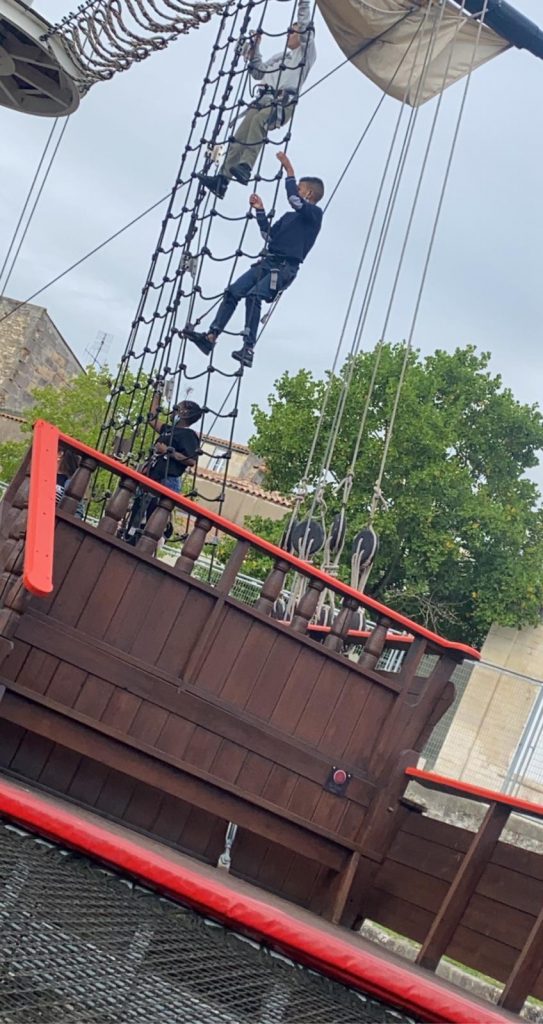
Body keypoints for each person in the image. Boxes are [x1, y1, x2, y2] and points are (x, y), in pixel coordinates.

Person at [184, 151, 324, 368]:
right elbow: (269, 236)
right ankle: (211, 337)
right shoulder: (289, 218)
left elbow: (293, 200)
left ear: (309, 194)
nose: (297, 191)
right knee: (233, 291)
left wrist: (289, 169)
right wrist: (260, 211)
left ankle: (248, 348)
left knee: (254, 296)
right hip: (268, 262)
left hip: (284, 268)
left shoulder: (314, 215)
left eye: (300, 188)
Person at [199, 0, 316, 199]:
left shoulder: (305, 54)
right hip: (262, 100)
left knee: (260, 121)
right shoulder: (280, 57)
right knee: (239, 137)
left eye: (293, 31)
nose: (288, 33)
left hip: (282, 103)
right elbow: (258, 72)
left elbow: (305, 26)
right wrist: (255, 48)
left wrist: (303, 3)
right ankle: (222, 181)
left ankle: (246, 167)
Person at [123, 389, 203, 544]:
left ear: (185, 413)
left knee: (152, 516)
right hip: (153, 476)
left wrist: (168, 451)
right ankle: (130, 538)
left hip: (167, 480)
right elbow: (152, 419)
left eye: (178, 407)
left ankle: (146, 542)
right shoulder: (169, 429)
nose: (173, 410)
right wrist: (157, 394)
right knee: (138, 512)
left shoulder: (188, 435)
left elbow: (191, 460)